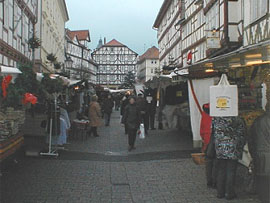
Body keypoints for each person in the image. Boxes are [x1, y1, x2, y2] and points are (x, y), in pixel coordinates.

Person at [212, 116, 246, 200]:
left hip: (220, 148)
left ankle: (220, 192)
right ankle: (229, 193)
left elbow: (213, 132)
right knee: (231, 171)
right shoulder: (238, 119)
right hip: (232, 148)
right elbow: (242, 134)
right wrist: (240, 145)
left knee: (221, 170)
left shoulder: (216, 119)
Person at [200, 103, 216, 189]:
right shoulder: (220, 109)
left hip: (207, 138)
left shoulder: (205, 111)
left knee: (209, 161)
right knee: (217, 161)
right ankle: (215, 181)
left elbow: (202, 125)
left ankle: (209, 181)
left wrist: (203, 137)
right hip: (216, 138)